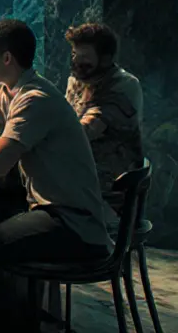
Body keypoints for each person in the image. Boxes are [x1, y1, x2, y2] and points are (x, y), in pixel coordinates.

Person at [0, 19, 111, 333]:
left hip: (72, 223)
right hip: (45, 211)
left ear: (7, 58)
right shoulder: (5, 93)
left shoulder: (35, 99)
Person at [64, 22, 144, 221]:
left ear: (105, 58)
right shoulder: (76, 82)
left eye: (84, 57)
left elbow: (86, 130)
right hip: (79, 175)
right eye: (74, 55)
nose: (76, 62)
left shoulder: (124, 86)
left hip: (108, 193)